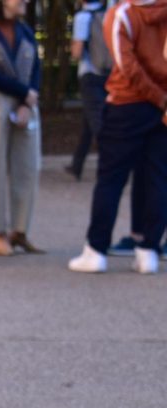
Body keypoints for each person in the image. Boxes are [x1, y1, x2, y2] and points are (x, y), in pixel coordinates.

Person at [69, 0, 167, 275]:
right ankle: (149, 250)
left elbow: (126, 65)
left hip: (127, 105)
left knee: (110, 180)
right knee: (157, 178)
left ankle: (96, 249)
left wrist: (158, 97)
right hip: (161, 106)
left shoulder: (123, 13)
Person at [0, 0, 43, 257]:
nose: (25, 1)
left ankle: (20, 230)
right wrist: (25, 93)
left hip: (26, 102)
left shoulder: (25, 30)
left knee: (27, 166)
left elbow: (36, 65)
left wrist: (30, 98)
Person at [67, 0, 110, 180]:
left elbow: (77, 52)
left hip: (89, 75)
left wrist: (72, 47)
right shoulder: (109, 13)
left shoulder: (83, 17)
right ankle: (77, 165)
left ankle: (110, 162)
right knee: (89, 122)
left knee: (96, 122)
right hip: (107, 74)